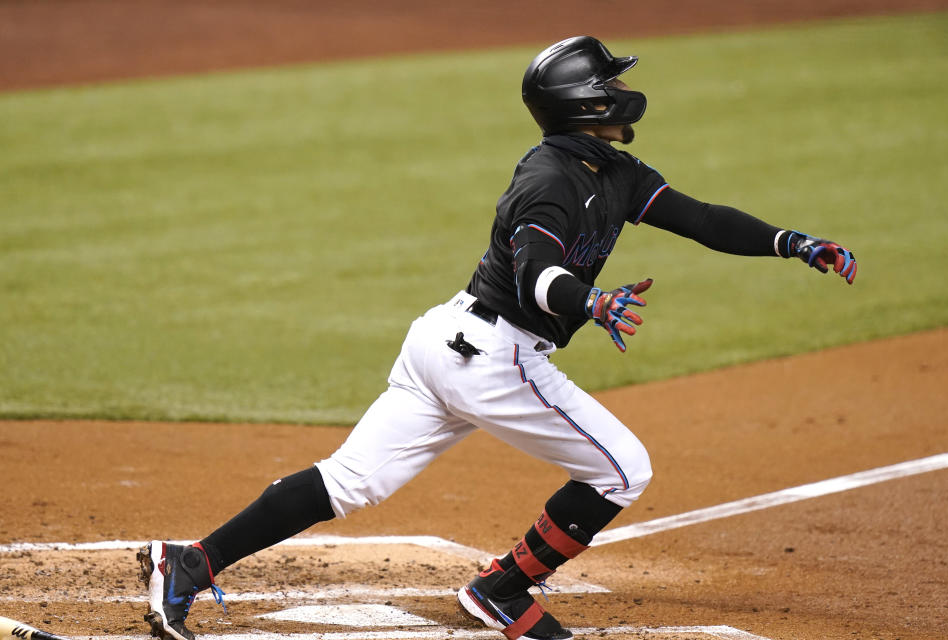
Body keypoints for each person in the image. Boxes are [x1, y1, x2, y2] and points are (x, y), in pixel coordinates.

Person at [136, 35, 857, 640]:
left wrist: (791, 242)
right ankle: (503, 590)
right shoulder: (548, 180)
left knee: (352, 480)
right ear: (588, 102)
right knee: (622, 468)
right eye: (609, 80)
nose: (622, 89)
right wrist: (592, 302)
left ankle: (192, 560)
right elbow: (539, 273)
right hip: (494, 356)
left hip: (444, 342)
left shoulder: (613, 169)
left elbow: (700, 218)